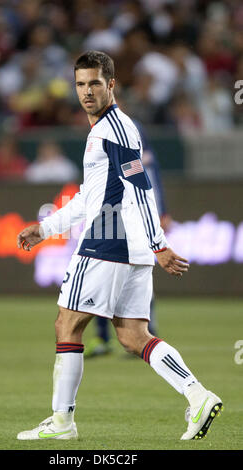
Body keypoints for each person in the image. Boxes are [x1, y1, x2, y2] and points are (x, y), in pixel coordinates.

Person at [16, 51, 223, 441]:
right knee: (132, 335)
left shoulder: (115, 128)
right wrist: (46, 228)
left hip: (107, 239)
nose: (87, 91)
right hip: (128, 245)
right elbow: (88, 197)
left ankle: (62, 422)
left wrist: (159, 244)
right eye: (80, 84)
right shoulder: (104, 130)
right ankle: (198, 396)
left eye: (95, 83)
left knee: (67, 323)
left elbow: (140, 187)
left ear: (111, 84)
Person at [84, 121, 172, 358]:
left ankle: (143, 333)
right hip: (107, 215)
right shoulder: (99, 130)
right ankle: (102, 337)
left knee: (137, 273)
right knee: (101, 275)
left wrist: (160, 211)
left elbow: (146, 175)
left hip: (132, 215)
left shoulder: (129, 129)